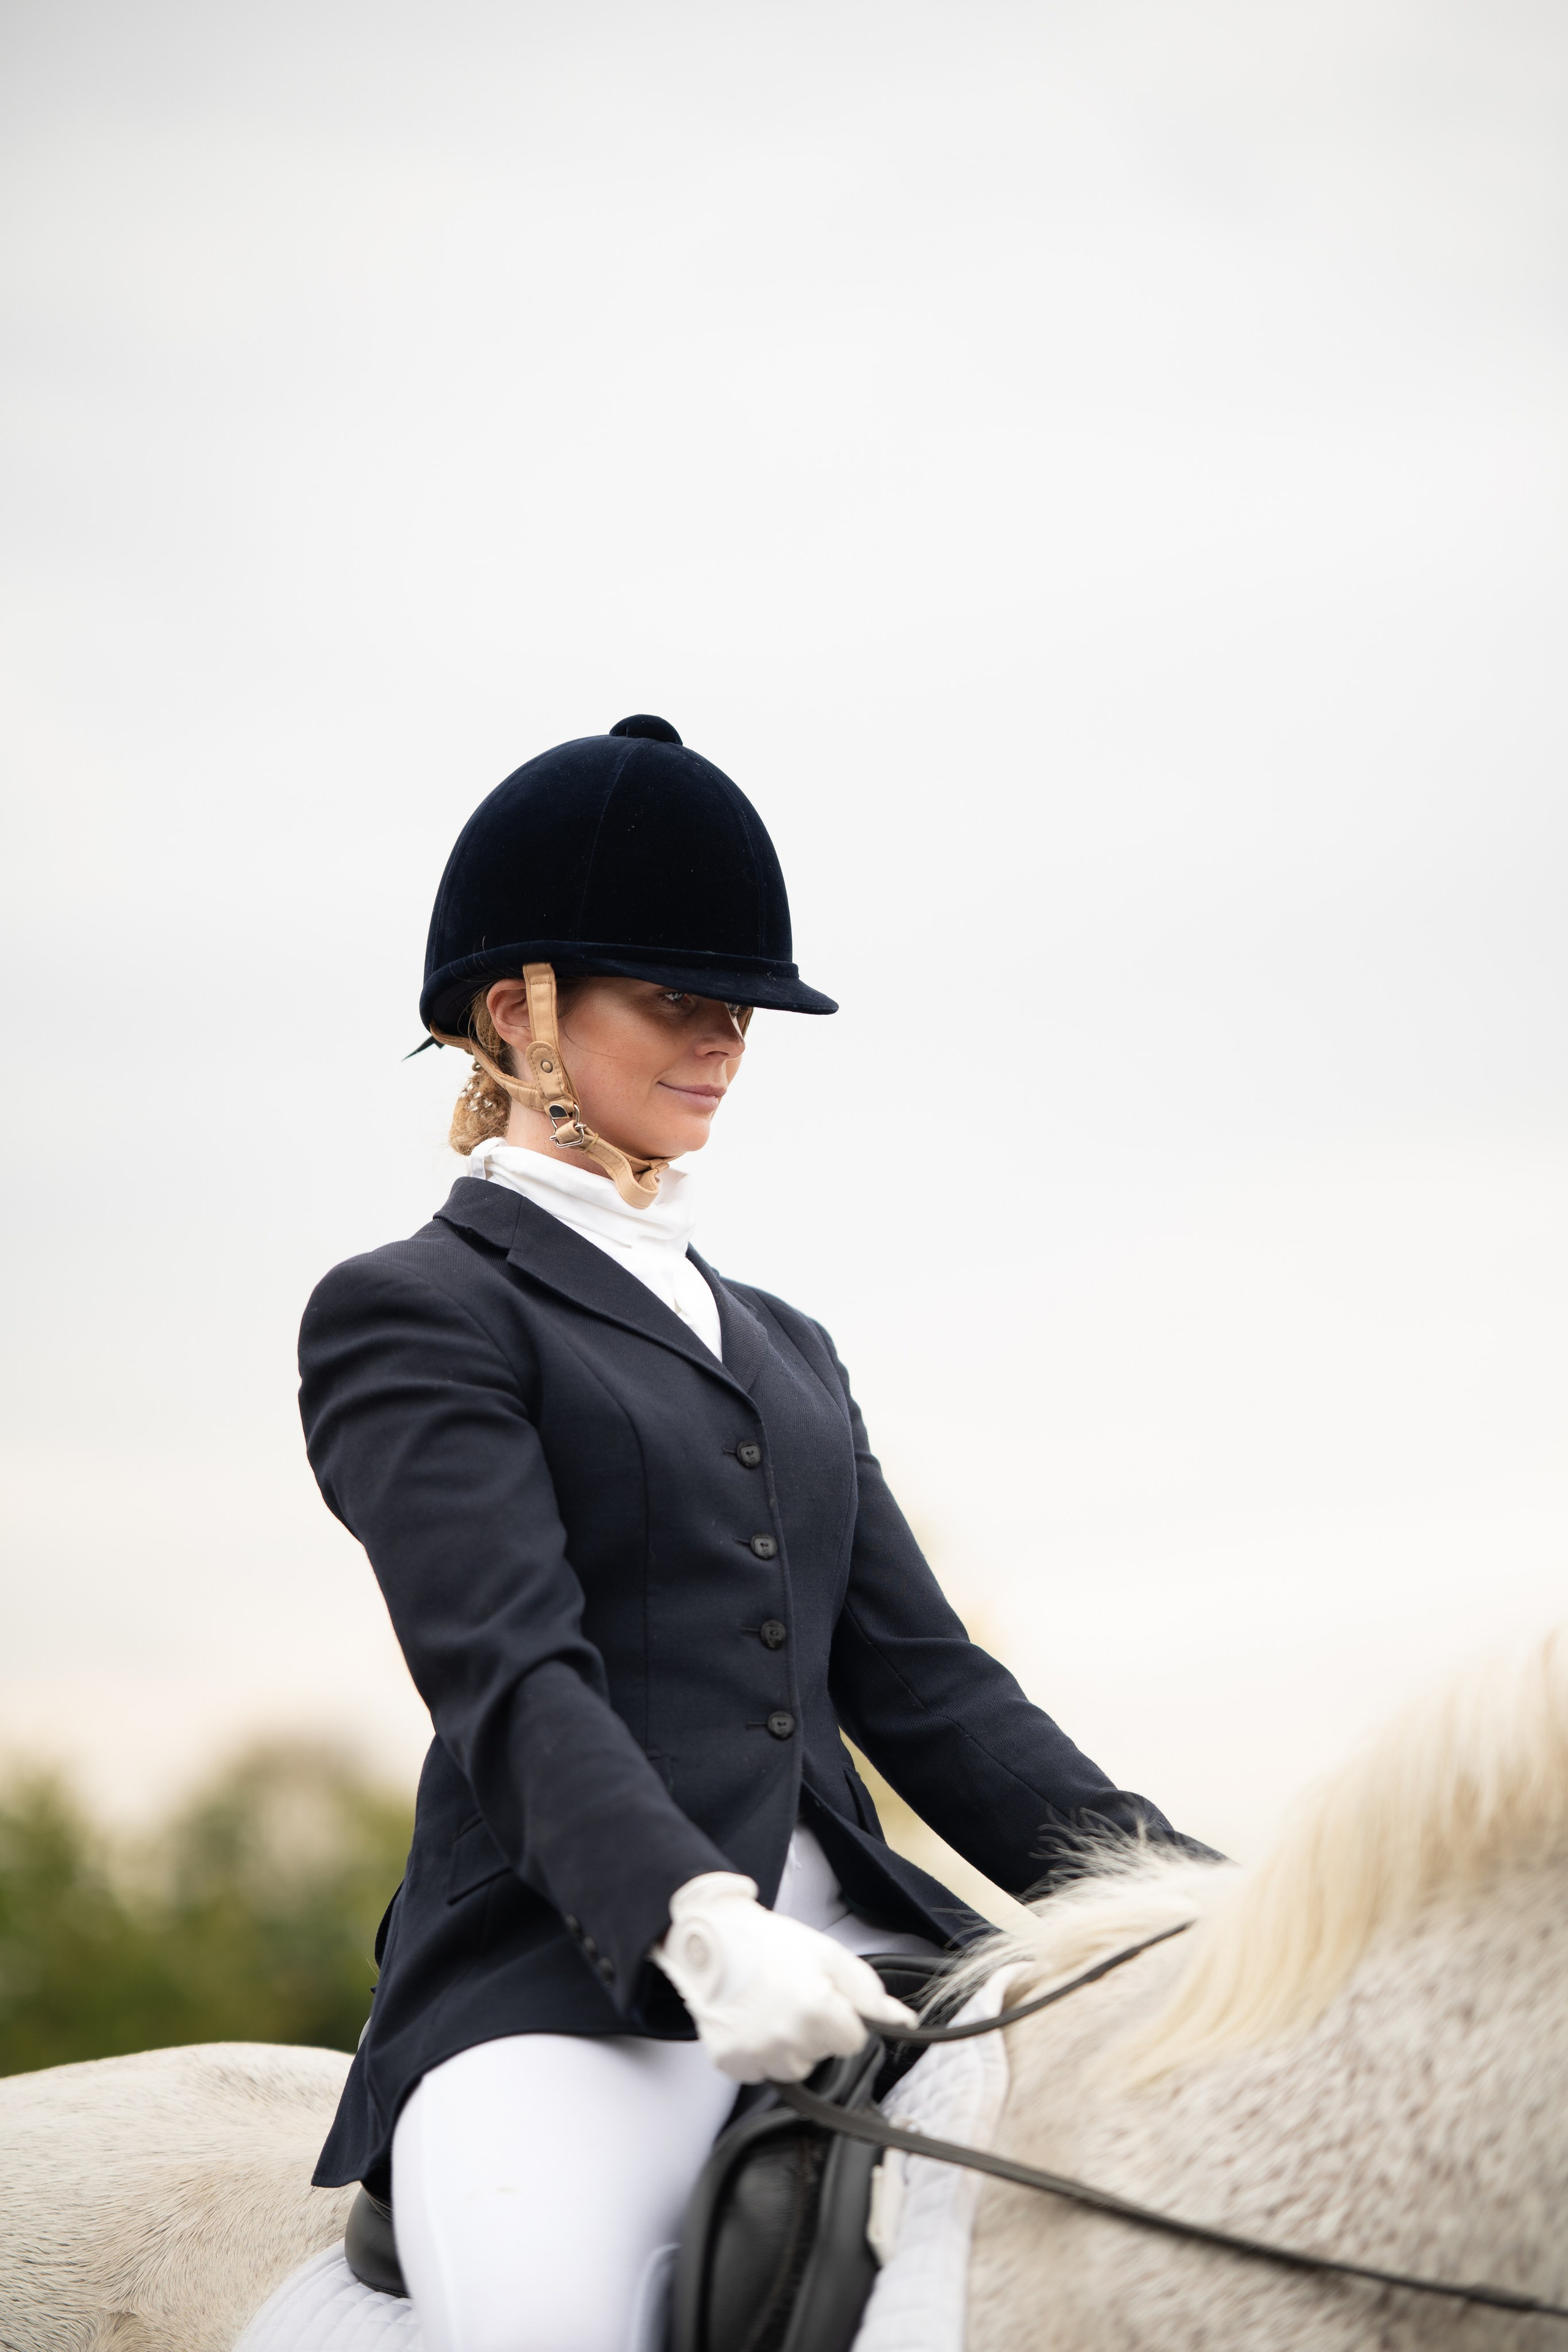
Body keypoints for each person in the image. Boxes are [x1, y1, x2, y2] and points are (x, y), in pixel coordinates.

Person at [298, 714, 1204, 2352]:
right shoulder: (414, 1313)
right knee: (545, 2324)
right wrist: (695, 1923)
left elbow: (935, 1694)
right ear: (522, 1014)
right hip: (572, 1984)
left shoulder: (782, 1342)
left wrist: (1196, 1905)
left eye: (742, 1010)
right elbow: (510, 1674)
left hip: (867, 1943)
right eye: (678, 1001)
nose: (724, 1041)